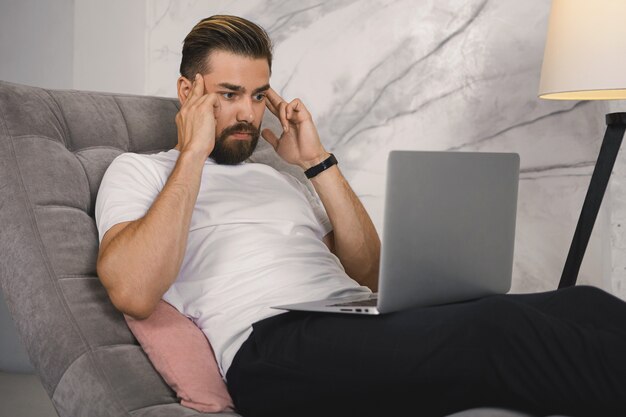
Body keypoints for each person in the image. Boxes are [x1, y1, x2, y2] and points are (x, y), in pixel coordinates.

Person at [95, 15, 626, 417]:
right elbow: (134, 291)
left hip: (350, 320)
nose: (246, 114)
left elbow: (369, 272)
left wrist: (316, 163)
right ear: (187, 92)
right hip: (270, 350)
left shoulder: (274, 178)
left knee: (588, 304)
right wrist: (191, 154)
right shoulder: (141, 173)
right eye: (228, 95)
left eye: (258, 97)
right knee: (494, 326)